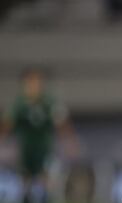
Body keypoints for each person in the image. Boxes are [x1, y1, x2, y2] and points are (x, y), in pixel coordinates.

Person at [0, 68, 79, 203]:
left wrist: (70, 142)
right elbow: (7, 124)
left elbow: (61, 123)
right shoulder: (19, 104)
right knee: (25, 186)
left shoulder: (48, 102)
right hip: (26, 152)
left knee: (46, 185)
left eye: (36, 82)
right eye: (30, 83)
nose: (33, 86)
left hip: (45, 151)